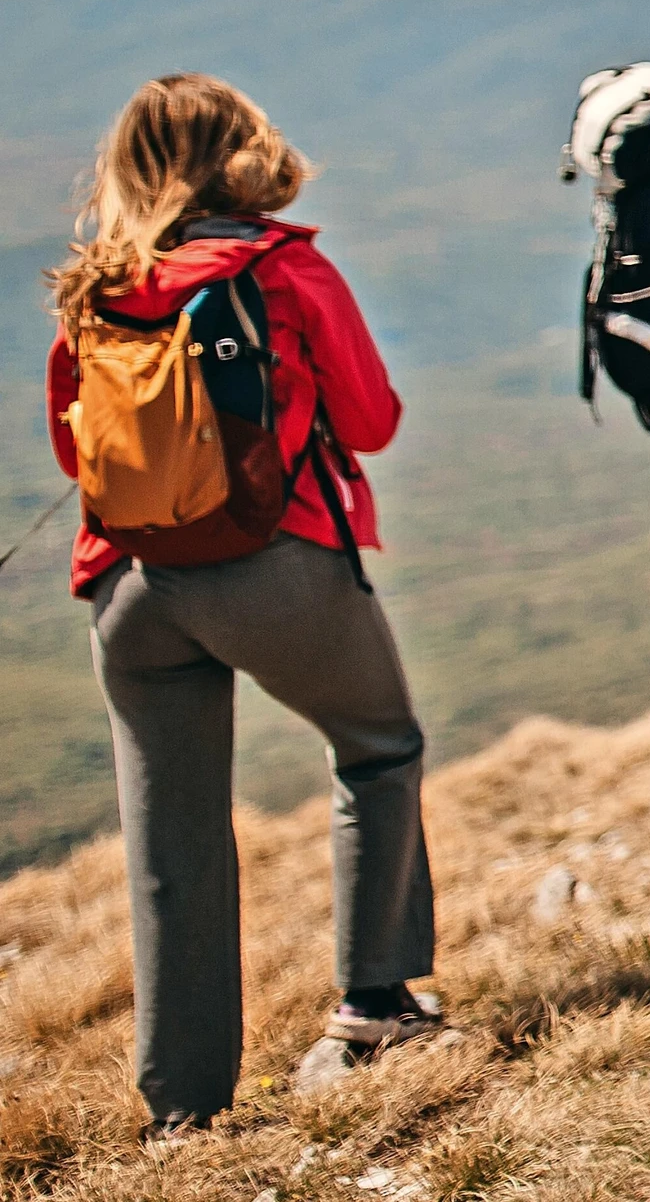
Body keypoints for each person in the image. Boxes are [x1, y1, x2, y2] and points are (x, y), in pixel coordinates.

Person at [45, 75, 437, 1140]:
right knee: (377, 746)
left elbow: (72, 445)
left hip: (127, 587)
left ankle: (182, 1107)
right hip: (277, 564)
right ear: (242, 154)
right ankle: (374, 1004)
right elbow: (372, 418)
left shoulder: (99, 285)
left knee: (171, 835)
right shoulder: (281, 265)